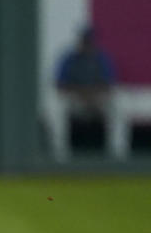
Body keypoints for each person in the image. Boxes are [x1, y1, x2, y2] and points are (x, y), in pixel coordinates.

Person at [47, 26, 128, 161]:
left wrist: (92, 95)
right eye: (84, 40)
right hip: (75, 100)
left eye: (89, 41)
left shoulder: (102, 58)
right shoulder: (69, 58)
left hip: (98, 100)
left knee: (119, 105)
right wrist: (83, 94)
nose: (86, 44)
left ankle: (117, 154)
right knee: (55, 107)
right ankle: (60, 154)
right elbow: (59, 85)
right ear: (79, 41)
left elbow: (109, 85)